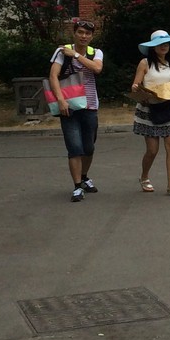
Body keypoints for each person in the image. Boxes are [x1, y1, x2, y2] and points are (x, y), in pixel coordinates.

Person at [48, 17, 104, 203]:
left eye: (87, 33)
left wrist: (77, 56)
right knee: (74, 148)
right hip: (69, 106)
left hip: (90, 106)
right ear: (74, 33)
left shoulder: (95, 52)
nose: (83, 36)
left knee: (89, 147)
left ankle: (85, 176)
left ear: (91, 36)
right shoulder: (62, 51)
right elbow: (53, 76)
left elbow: (97, 69)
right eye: (80, 32)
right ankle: (77, 186)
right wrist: (61, 100)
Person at [131, 29, 170, 196]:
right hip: (149, 109)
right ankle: (144, 177)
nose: (163, 46)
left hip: (168, 108)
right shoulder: (144, 63)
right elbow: (135, 86)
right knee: (152, 150)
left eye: (166, 43)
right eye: (159, 44)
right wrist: (138, 90)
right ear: (152, 47)